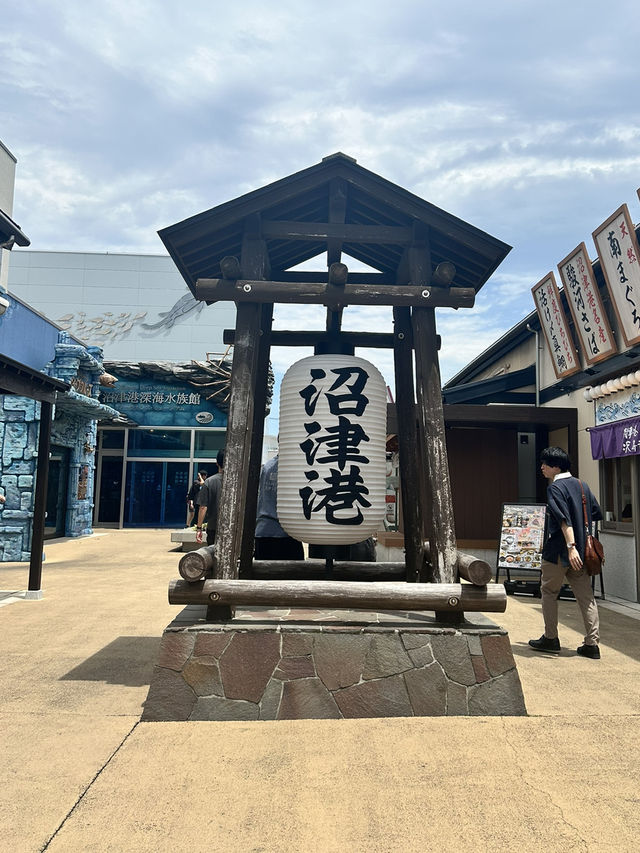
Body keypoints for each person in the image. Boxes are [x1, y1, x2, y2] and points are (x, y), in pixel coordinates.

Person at [528, 446, 603, 659]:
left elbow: (563, 519)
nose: (542, 467)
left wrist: (570, 548)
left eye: (545, 464)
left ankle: (550, 638)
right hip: (582, 552)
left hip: (559, 552)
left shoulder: (555, 488)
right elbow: (595, 512)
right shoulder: (582, 485)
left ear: (556, 467)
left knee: (550, 593)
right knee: (586, 597)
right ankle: (592, 644)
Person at [254, 454, 304, 560]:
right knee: (296, 573)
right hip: (288, 533)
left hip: (264, 530)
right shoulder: (295, 468)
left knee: (263, 573)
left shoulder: (266, 467)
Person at [195, 450, 224, 547]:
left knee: (213, 556)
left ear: (217, 463)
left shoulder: (209, 482)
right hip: (233, 528)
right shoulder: (237, 482)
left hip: (213, 527)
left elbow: (203, 507)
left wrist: (199, 528)